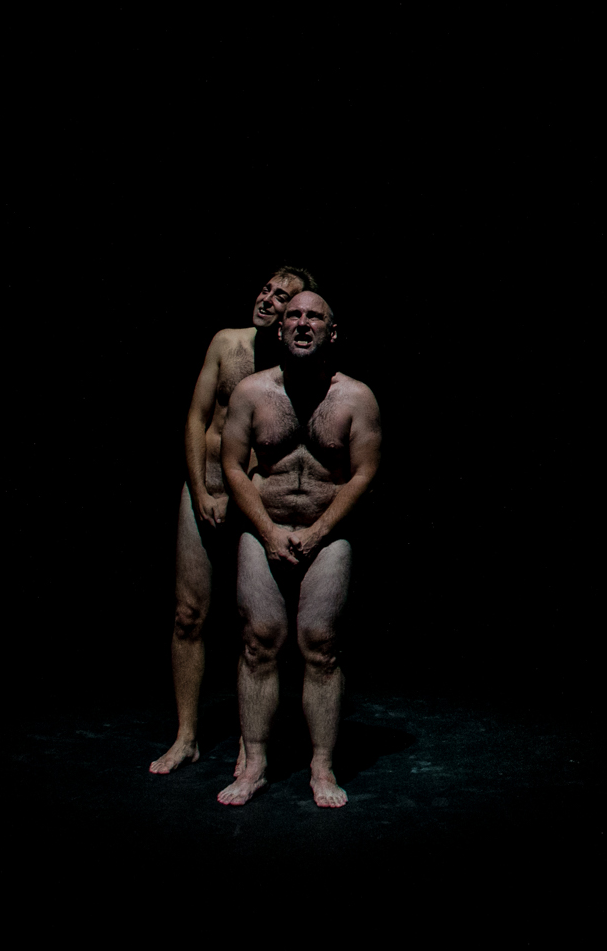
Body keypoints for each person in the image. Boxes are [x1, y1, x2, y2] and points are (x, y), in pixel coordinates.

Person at [215, 290, 381, 808]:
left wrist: (319, 530)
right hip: (262, 525)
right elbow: (232, 466)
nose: (303, 323)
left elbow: (363, 473)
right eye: (294, 315)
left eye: (314, 316)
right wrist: (267, 531)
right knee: (259, 641)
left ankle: (322, 766)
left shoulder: (356, 398)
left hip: (326, 532)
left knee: (321, 644)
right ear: (281, 328)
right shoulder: (252, 392)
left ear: (332, 331)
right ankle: (255, 764)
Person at [150, 266, 317, 775]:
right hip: (202, 490)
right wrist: (201, 490)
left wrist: (239, 495)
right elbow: (196, 417)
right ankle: (186, 737)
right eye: (266, 289)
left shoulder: (293, 366)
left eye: (282, 297)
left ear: (293, 314)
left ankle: (252, 741)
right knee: (188, 614)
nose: (267, 299)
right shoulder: (227, 343)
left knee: (255, 628)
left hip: (251, 500)